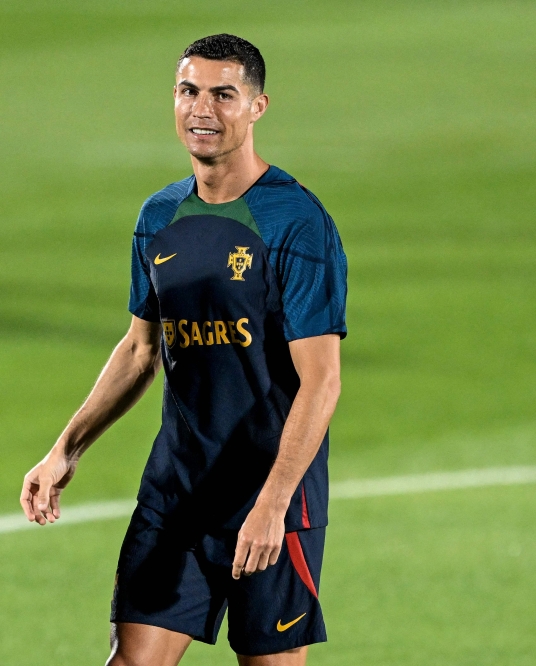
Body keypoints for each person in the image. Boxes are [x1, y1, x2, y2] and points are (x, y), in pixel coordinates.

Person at [19, 34, 347, 666]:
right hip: (177, 494)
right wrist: (67, 448)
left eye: (224, 94)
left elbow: (322, 380)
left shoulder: (297, 222)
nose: (203, 108)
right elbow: (142, 349)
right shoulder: (158, 215)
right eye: (189, 90)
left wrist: (273, 503)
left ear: (257, 106)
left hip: (271, 501)